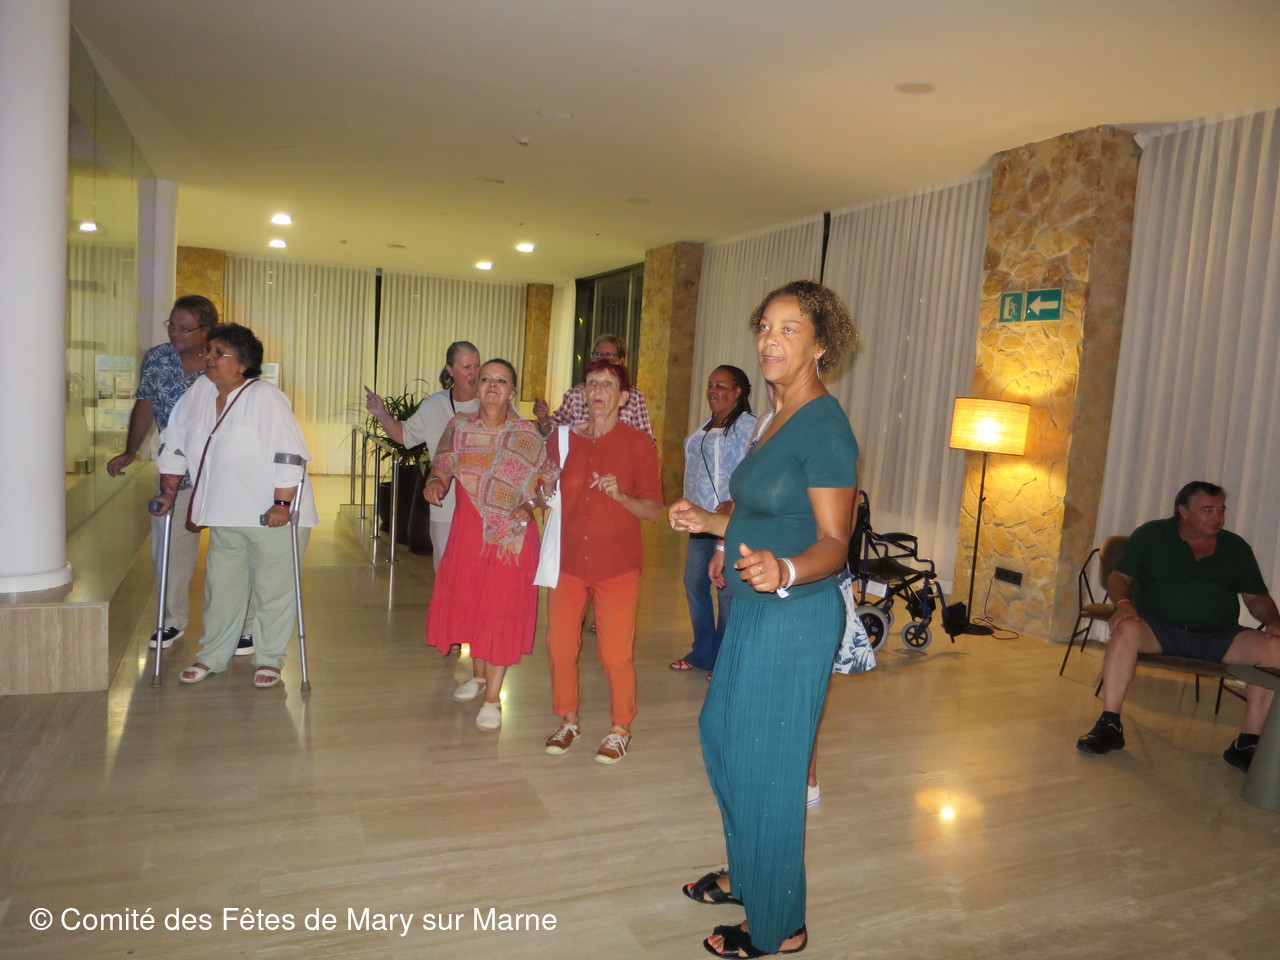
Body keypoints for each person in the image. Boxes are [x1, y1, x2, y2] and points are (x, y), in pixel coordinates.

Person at [669, 279, 859, 958]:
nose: (770, 341)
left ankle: (780, 922)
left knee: (771, 767)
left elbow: (833, 543)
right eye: (765, 327)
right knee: (723, 736)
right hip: (752, 606)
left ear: (821, 345)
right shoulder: (772, 419)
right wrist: (712, 523)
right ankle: (751, 872)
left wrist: (785, 569)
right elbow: (771, 513)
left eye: (789, 329)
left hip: (793, 615)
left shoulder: (825, 427)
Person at [150, 324, 318, 688]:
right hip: (224, 512)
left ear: (242, 365)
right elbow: (174, 443)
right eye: (208, 351)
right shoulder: (198, 392)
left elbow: (288, 453)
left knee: (273, 591)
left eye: (218, 353)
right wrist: (168, 491)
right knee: (221, 590)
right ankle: (212, 655)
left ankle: (269, 659)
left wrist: (281, 503)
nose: (208, 358)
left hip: (272, 515)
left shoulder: (265, 397)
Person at [1076, 481, 1280, 771]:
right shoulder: (1151, 535)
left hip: (1219, 636)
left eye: (1221, 509)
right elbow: (1118, 578)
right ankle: (1110, 725)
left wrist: (1274, 622)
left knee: (1275, 650)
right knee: (1126, 629)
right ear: (1183, 510)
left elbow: (1256, 598)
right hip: (1158, 629)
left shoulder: (1236, 548)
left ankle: (1246, 743)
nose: (1217, 517)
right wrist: (1122, 603)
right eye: (1207, 510)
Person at [107, 296, 252, 652]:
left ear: (206, 329)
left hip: (224, 476)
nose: (174, 333)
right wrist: (130, 450)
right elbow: (145, 403)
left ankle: (245, 626)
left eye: (184, 328)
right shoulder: (158, 359)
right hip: (175, 474)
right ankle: (170, 620)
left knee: (234, 553)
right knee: (168, 552)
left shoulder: (224, 363)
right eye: (171, 325)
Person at [423, 359, 556, 730]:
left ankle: (493, 699)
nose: (493, 386)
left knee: (499, 611)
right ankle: (479, 678)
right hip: (467, 533)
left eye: (502, 381)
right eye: (486, 379)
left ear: (512, 391)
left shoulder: (526, 435)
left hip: (510, 538)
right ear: (476, 385)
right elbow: (442, 466)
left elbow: (545, 488)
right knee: (471, 607)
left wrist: (530, 506)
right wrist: (435, 483)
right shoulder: (459, 426)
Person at [542, 359, 663, 764]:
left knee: (614, 654)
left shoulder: (639, 445)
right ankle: (568, 720)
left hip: (617, 566)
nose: (598, 391)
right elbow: (544, 500)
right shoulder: (562, 440)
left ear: (623, 397)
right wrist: (545, 485)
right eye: (591, 383)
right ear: (582, 392)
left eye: (608, 384)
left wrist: (622, 496)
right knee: (560, 646)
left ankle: (620, 727)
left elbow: (653, 510)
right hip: (568, 563)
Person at [670, 365, 756, 674]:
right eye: (710, 385)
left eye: (720, 386)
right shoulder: (707, 424)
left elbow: (753, 471)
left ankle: (725, 660)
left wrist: (736, 502)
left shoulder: (749, 427)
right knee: (694, 582)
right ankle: (703, 652)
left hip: (730, 521)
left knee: (726, 589)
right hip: (701, 520)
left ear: (738, 392)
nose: (712, 391)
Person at [365, 341, 481, 566]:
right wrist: (381, 413)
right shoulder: (435, 405)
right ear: (450, 370)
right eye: (467, 367)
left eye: (477, 366)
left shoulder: (492, 403)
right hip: (444, 505)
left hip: (482, 508)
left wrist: (544, 424)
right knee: (445, 569)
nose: (474, 373)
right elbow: (404, 435)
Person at [532, 334, 654, 439]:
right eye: (598, 354)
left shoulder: (633, 397)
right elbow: (554, 434)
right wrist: (543, 418)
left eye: (609, 355)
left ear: (621, 360)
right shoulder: (576, 394)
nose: (603, 358)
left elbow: (647, 441)